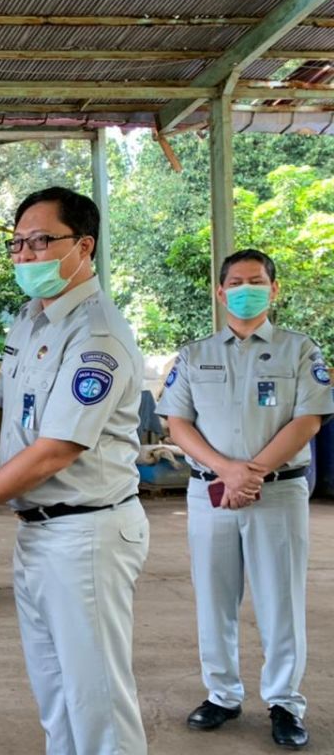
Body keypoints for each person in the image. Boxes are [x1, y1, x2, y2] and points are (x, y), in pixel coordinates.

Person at [0, 186, 150, 754]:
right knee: (58, 694)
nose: (24, 255)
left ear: (83, 246)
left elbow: (55, 450)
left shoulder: (97, 336)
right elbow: (4, 413)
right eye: (17, 243)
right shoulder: (32, 319)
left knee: (98, 704)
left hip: (86, 534)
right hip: (40, 533)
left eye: (41, 241)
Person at [157, 249, 333, 750]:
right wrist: (228, 471)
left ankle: (284, 702)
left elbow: (309, 420)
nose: (245, 288)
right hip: (209, 492)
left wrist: (251, 473)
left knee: (281, 600)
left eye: (256, 281)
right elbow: (177, 422)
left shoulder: (301, 350)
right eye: (235, 281)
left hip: (276, 494)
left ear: (274, 290)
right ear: (219, 291)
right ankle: (222, 694)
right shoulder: (195, 355)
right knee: (214, 598)